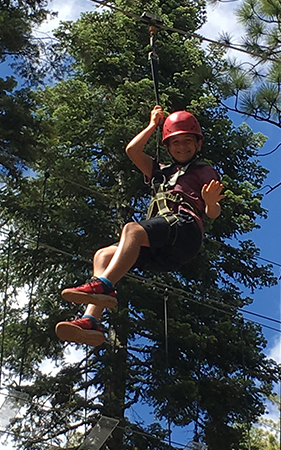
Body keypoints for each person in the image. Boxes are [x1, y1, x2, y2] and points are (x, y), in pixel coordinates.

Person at [54, 105, 225, 346]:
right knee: (102, 255)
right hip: (162, 247)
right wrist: (153, 125)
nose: (182, 147)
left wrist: (209, 203)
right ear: (167, 147)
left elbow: (213, 213)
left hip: (185, 230)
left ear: (198, 144)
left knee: (132, 230)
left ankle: (103, 286)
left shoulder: (204, 171)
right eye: (175, 143)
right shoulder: (160, 172)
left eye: (188, 141)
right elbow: (132, 150)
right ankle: (90, 321)